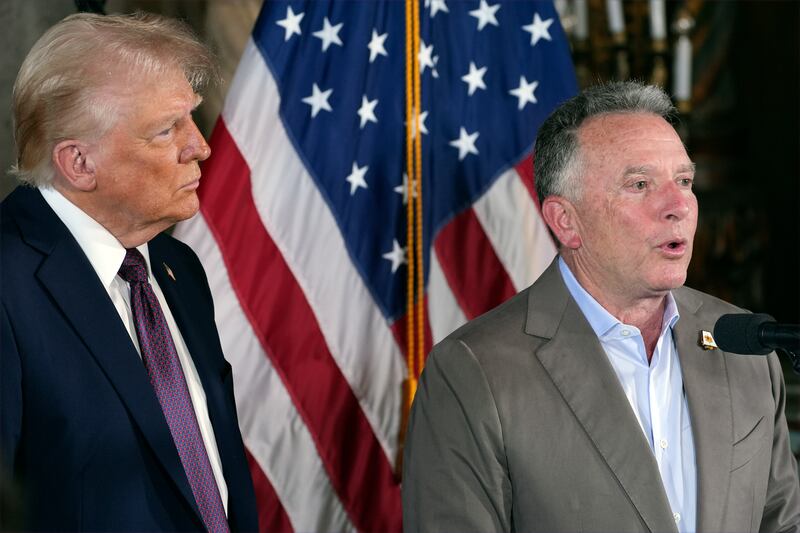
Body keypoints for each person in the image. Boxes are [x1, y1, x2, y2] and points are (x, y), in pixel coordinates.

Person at [402, 82, 800, 533]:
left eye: (684, 181)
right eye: (639, 184)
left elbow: (781, 522)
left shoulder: (743, 343)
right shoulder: (473, 373)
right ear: (566, 222)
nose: (679, 206)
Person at [0, 12, 258, 531]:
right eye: (167, 130)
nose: (200, 146)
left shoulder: (173, 265)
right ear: (79, 163)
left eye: (192, 118)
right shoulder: (8, 283)